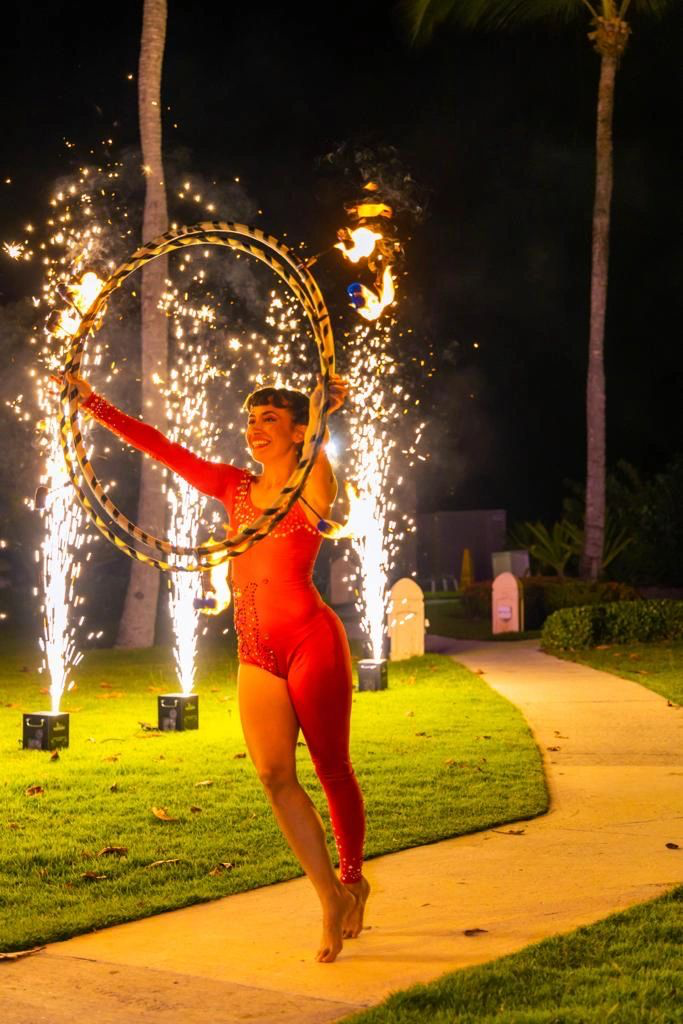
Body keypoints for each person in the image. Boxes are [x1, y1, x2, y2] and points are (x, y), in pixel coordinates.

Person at [64, 369, 370, 964]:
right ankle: (328, 894)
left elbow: (321, 473)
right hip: (256, 648)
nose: (254, 430)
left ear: (299, 431)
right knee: (275, 776)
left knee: (332, 766)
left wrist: (320, 416)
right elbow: (162, 447)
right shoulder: (232, 486)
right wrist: (91, 401)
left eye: (270, 420)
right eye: (250, 421)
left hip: (312, 639)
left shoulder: (311, 488)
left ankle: (353, 878)